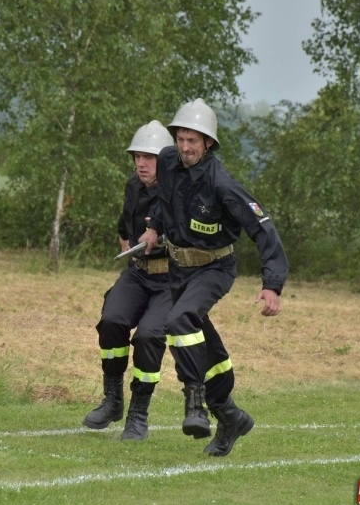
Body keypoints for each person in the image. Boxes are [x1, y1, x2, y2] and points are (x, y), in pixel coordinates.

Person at [138, 98, 289, 456]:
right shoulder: (168, 162)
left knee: (179, 321)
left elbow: (263, 228)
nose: (185, 147)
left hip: (214, 269)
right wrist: (154, 229)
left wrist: (272, 284)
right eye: (182, 138)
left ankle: (195, 403)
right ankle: (230, 415)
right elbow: (164, 201)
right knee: (203, 345)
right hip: (178, 268)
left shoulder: (223, 185)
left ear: (208, 143)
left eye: (194, 140)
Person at [83, 120, 175, 440]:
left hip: (171, 280)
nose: (141, 163)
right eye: (137, 156)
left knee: (149, 336)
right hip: (138, 273)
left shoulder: (180, 191)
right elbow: (126, 220)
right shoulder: (132, 185)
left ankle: (138, 414)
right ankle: (112, 401)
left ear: (165, 160)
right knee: (111, 320)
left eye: (148, 157)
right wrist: (124, 239)